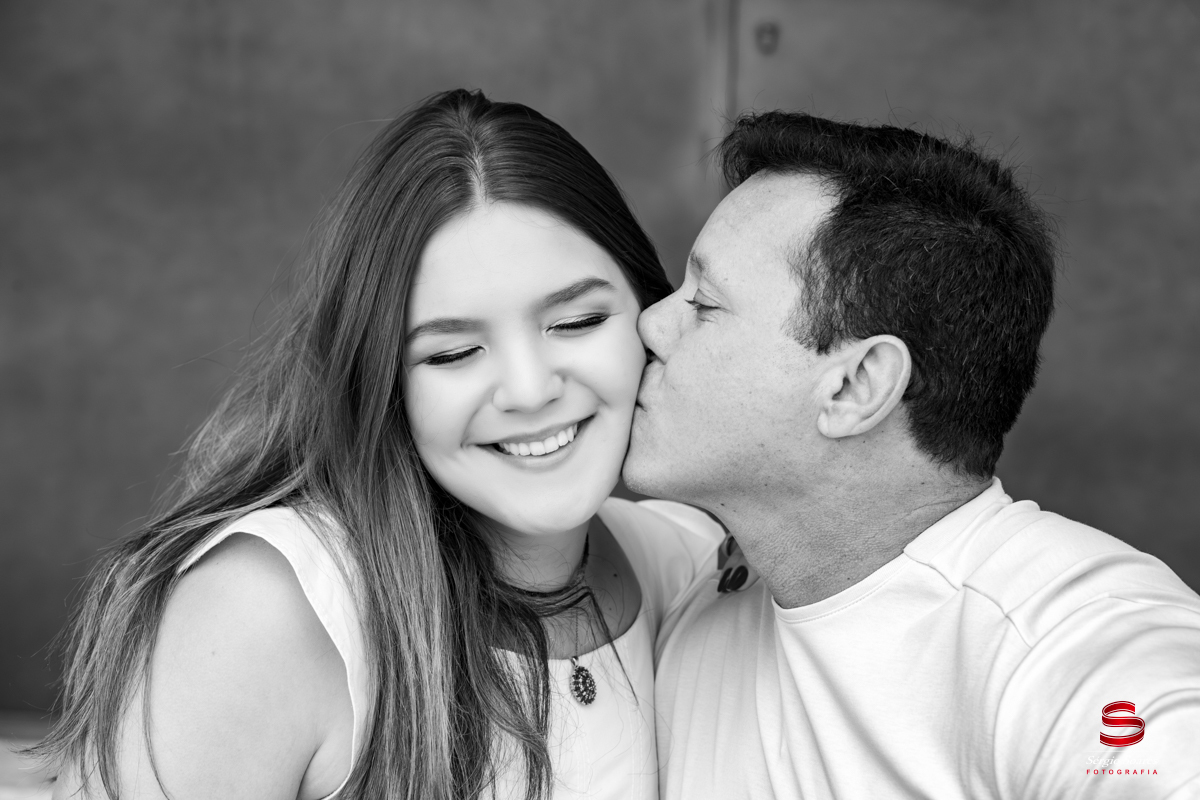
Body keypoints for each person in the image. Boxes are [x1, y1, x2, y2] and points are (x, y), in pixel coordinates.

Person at [40, 90, 720, 800]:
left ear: (653, 313)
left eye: (575, 322)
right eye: (453, 353)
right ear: (382, 379)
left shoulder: (686, 567)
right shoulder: (269, 609)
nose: (528, 390)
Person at [624, 111, 1200, 798]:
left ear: (856, 386)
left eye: (705, 304)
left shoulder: (1073, 648)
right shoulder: (681, 586)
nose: (650, 324)